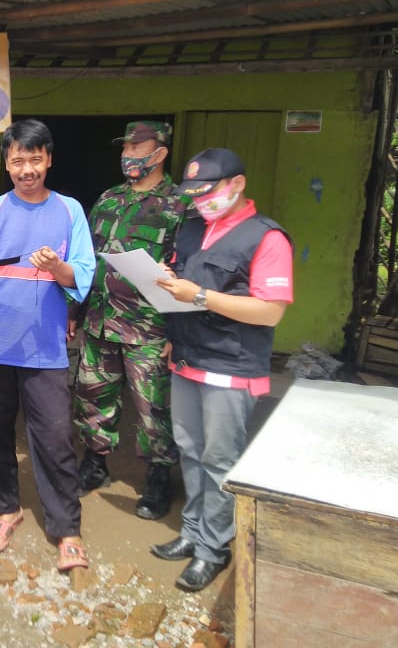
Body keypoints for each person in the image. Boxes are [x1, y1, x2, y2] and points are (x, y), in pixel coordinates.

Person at [0, 118, 96, 571]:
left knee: (55, 436)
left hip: (44, 346)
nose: (27, 169)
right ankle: (4, 508)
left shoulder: (71, 210)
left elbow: (82, 277)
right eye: (18, 160)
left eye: (35, 159)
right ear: (7, 162)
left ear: (49, 159)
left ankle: (66, 527)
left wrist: (57, 267)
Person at [153, 147, 293, 592]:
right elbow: (183, 286)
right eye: (192, 194)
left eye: (207, 192)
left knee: (220, 461)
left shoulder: (265, 237)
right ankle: (192, 531)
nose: (199, 201)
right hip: (187, 360)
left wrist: (198, 296)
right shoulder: (192, 230)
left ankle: (214, 548)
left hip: (231, 368)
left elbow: (269, 311)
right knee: (190, 450)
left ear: (237, 184)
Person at [72, 121, 187, 521]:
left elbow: (188, 272)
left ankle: (158, 475)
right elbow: (86, 260)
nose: (130, 154)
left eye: (139, 147)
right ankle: (94, 462)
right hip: (100, 322)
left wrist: (179, 331)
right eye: (126, 147)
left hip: (150, 329)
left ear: (160, 153)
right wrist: (76, 310)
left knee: (153, 407)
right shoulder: (107, 200)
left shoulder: (178, 205)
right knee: (92, 395)